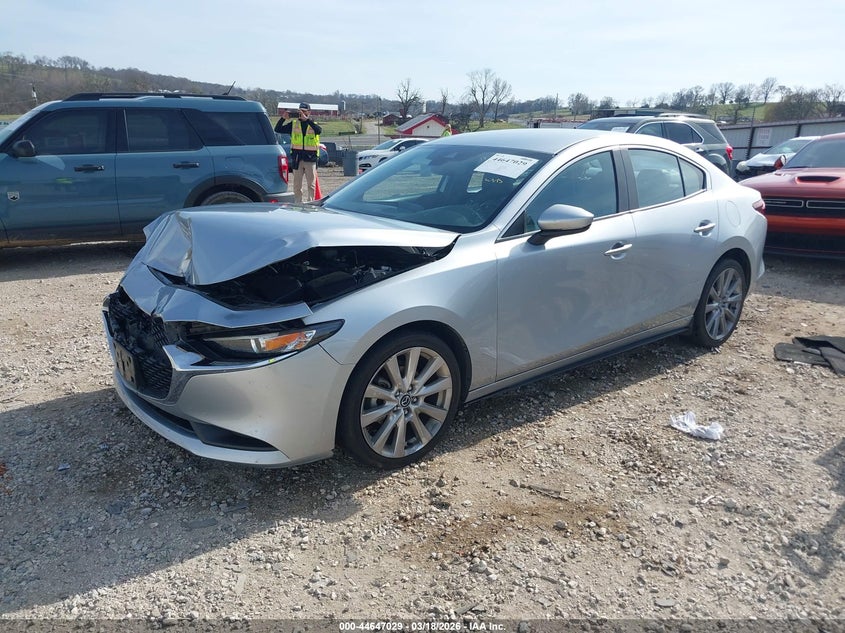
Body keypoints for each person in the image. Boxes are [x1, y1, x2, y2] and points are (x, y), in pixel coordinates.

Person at [275, 103, 323, 203]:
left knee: (311, 184)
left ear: (309, 112)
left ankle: (311, 202)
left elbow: (319, 131)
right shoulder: (294, 124)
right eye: (300, 111)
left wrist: (307, 120)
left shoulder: (313, 124)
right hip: (297, 158)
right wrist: (283, 118)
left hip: (311, 158)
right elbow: (278, 129)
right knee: (297, 185)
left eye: (304, 111)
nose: (302, 113)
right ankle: (298, 203)